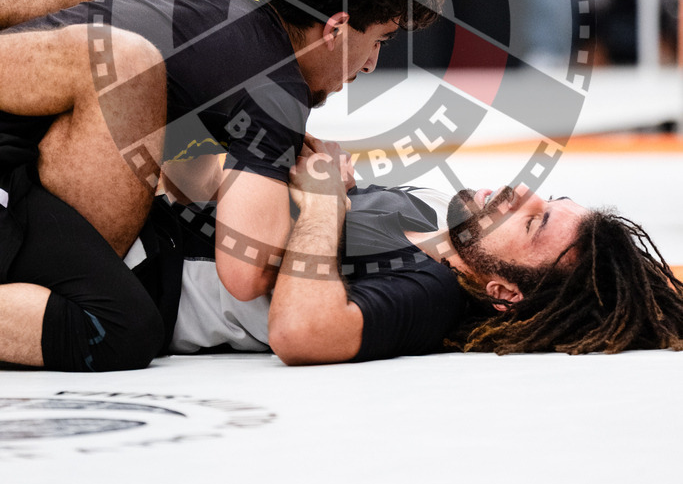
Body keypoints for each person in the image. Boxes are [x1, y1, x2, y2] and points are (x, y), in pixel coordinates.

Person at [0, 0, 446, 370]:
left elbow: (183, 172)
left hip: (27, 123)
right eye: (378, 40)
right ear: (336, 29)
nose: (369, 64)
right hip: (16, 175)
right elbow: (245, 274)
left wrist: (256, 159)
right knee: (115, 324)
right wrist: (324, 196)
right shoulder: (276, 89)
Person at [3, 136, 683, 370]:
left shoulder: (431, 293)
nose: (521, 191)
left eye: (532, 223)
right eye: (546, 197)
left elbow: (301, 333)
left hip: (124, 269)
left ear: (504, 291)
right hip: (133, 211)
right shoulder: (416, 209)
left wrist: (322, 197)